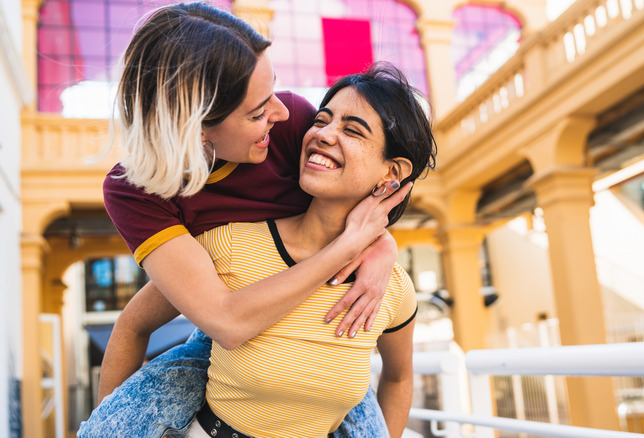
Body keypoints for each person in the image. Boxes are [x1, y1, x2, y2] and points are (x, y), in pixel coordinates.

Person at [78, 3, 410, 437]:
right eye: (256, 112)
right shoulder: (134, 191)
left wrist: (381, 242)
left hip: (322, 341)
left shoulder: (290, 129)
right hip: (227, 329)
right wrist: (350, 246)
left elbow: (363, 175)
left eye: (273, 89)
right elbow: (223, 320)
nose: (284, 112)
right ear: (195, 127)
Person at [185, 63, 436, 437]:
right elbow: (135, 324)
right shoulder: (228, 242)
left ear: (392, 172)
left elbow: (399, 379)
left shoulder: (392, 289)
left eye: (352, 130)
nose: (323, 134)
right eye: (321, 120)